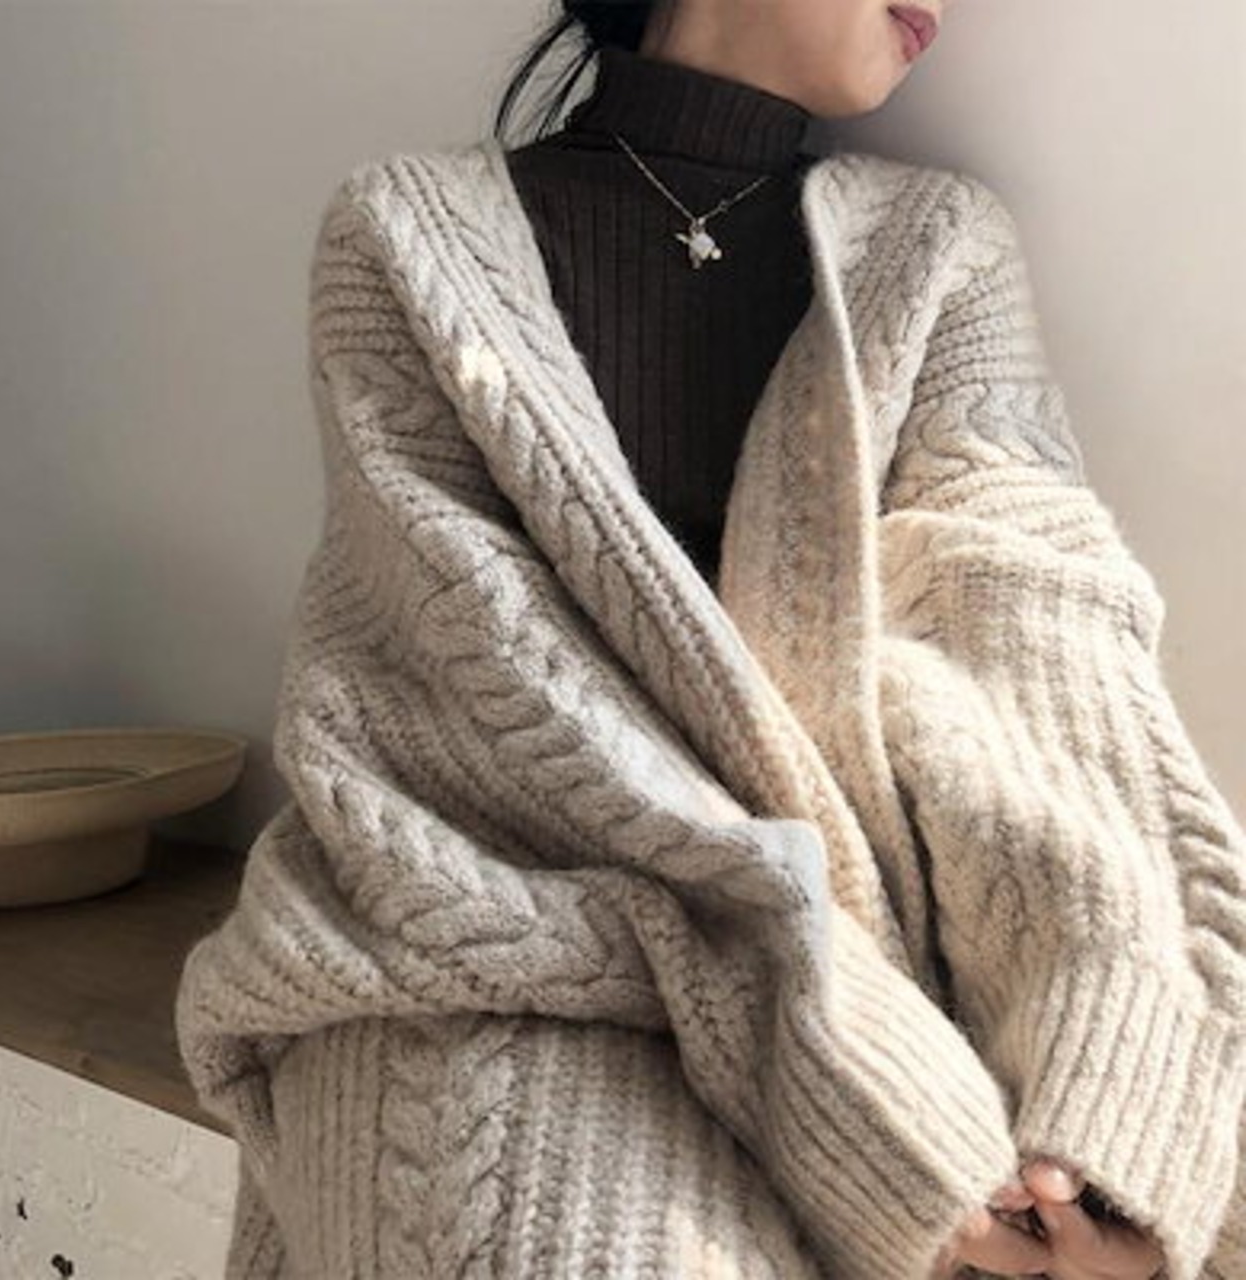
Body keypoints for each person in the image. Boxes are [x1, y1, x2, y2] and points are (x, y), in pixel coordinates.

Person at [174, 2, 1246, 1277]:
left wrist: (1104, 1063)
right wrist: (851, 1074)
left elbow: (1037, 649)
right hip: (508, 933)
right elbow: (495, 704)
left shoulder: (939, 250)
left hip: (877, 944)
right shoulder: (403, 238)